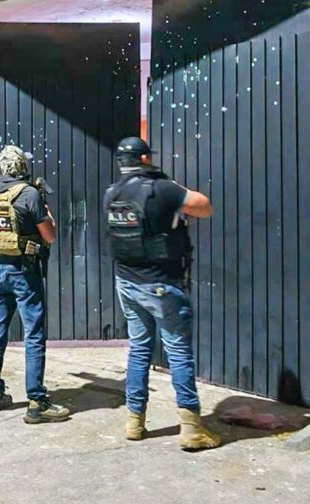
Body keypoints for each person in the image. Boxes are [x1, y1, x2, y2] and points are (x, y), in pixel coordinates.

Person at [103, 137, 220, 450]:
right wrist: (173, 186)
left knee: (139, 349)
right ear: (144, 158)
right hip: (161, 284)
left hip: (127, 282)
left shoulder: (111, 194)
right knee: (178, 351)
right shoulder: (163, 189)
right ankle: (192, 429)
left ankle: (134, 422)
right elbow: (204, 206)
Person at [0, 145, 70, 424]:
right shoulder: (29, 194)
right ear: (22, 167)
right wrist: (48, 214)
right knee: (33, 334)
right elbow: (50, 236)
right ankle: (37, 401)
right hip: (24, 273)